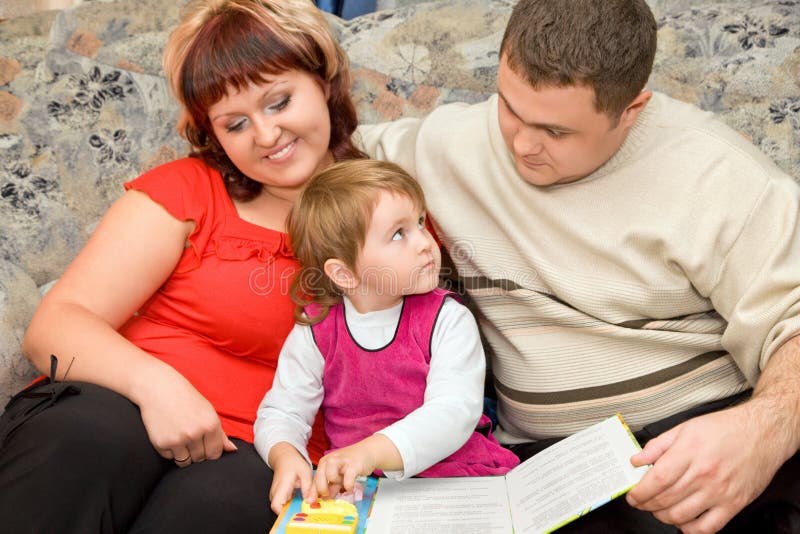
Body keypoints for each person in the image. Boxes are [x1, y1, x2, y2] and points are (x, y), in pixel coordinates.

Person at [356, 0, 800, 532]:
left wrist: (761, 430)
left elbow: (792, 321)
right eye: (508, 107)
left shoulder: (722, 176)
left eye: (556, 132)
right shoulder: (447, 145)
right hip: (541, 470)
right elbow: (311, 157)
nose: (521, 144)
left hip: (694, 436)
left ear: (631, 110)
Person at [0, 0, 364, 531]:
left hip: (264, 449)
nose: (265, 136)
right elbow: (54, 326)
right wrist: (158, 386)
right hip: (117, 401)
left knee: (212, 510)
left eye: (279, 101)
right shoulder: (187, 190)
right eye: (235, 123)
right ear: (213, 135)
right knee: (86, 441)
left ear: (324, 82)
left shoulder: (384, 212)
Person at [254, 159, 520, 514]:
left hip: (454, 478)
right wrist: (286, 455)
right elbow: (283, 410)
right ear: (344, 274)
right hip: (360, 490)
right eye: (399, 233)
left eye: (421, 222)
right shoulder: (316, 331)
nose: (425, 243)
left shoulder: (448, 319)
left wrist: (369, 452)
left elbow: (454, 411)